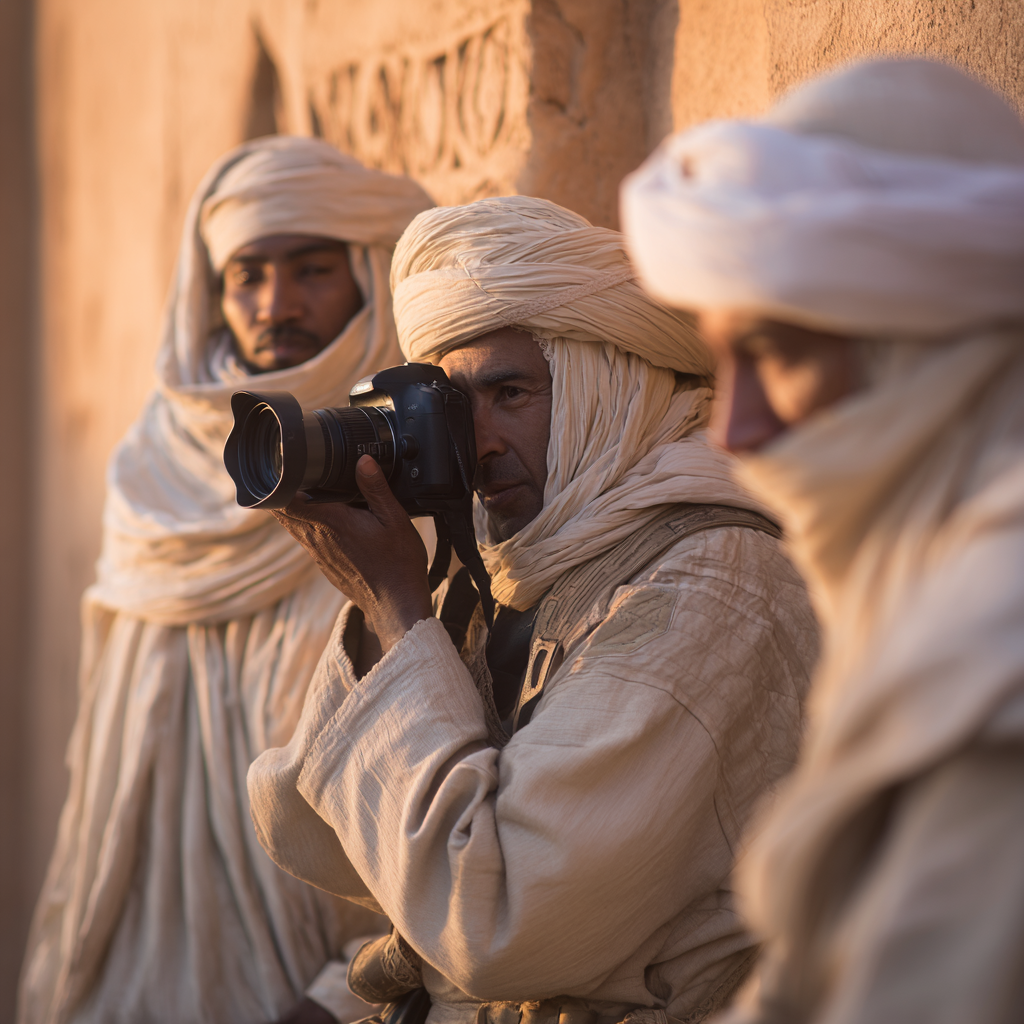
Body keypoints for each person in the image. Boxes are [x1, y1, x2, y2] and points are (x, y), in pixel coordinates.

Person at [246, 195, 819, 1024]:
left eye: (509, 393)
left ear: (606, 385)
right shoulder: (517, 570)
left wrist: (398, 607)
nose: (475, 444)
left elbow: (498, 919)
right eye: (452, 407)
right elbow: (320, 833)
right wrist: (390, 608)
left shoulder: (713, 584)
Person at [621, 57, 1024, 1024]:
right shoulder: (929, 600)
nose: (735, 430)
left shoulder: (992, 661)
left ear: (928, 339)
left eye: (777, 352)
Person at [19, 136, 433, 1024]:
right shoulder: (153, 475)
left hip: (333, 984)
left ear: (366, 273)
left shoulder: (408, 475)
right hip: (142, 971)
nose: (276, 304)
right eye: (246, 276)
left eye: (312, 269)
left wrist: (340, 999)